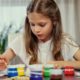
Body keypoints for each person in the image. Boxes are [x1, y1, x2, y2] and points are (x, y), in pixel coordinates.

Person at [0, 0, 80, 70]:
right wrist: (3, 61)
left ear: (54, 21)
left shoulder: (65, 41)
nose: (36, 30)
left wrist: (62, 64)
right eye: (32, 24)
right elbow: (5, 57)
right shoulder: (22, 40)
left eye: (42, 25)